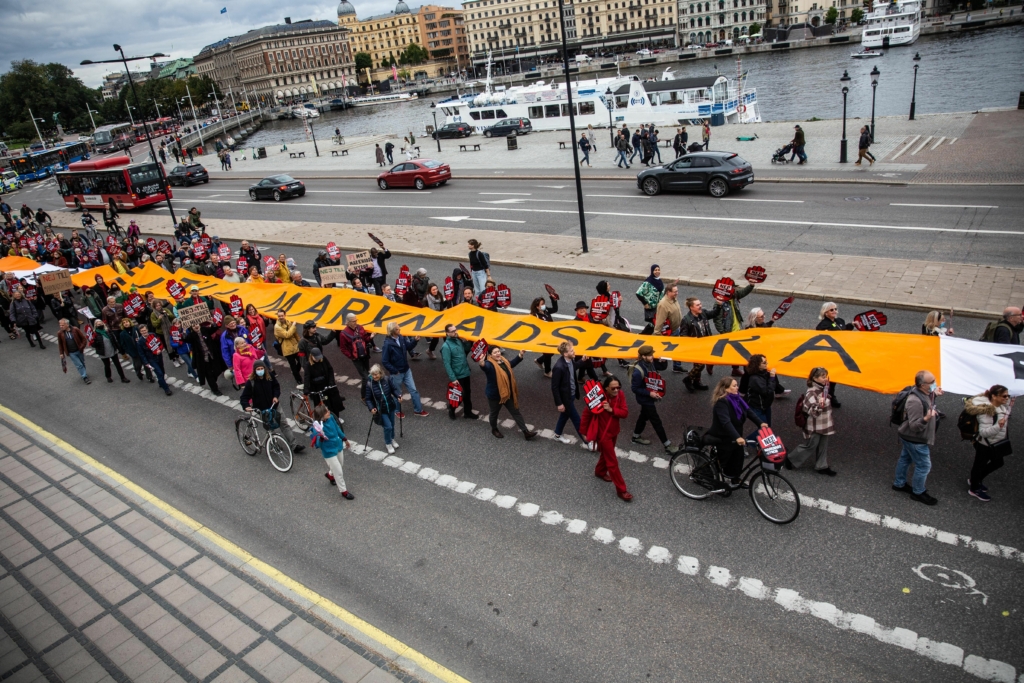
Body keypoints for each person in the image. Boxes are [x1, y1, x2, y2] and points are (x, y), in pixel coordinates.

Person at [706, 376, 767, 488]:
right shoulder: (722, 403)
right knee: (722, 460)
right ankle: (714, 481)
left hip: (735, 435)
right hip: (723, 436)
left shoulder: (737, 399)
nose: (737, 387)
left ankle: (735, 478)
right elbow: (726, 422)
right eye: (734, 386)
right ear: (726, 389)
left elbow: (748, 411)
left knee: (738, 458)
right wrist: (737, 437)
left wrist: (760, 423)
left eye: (736, 385)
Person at [893, 369, 943, 505]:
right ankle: (918, 492)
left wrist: (935, 394)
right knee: (924, 466)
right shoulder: (915, 401)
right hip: (915, 439)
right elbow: (915, 426)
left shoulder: (925, 393)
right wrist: (926, 419)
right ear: (922, 385)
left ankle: (899, 483)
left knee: (905, 458)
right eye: (932, 382)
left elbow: (928, 401)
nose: (935, 383)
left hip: (910, 438)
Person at [581, 375, 632, 501]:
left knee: (606, 455)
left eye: (618, 387)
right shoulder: (597, 398)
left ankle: (599, 471)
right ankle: (622, 490)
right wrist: (583, 432)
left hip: (614, 431)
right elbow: (586, 414)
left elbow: (625, 413)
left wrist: (611, 409)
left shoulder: (620, 395)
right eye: (613, 388)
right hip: (603, 435)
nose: (616, 390)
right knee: (612, 462)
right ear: (606, 388)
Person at [240, 359, 306, 454]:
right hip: (262, 410)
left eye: (262, 368)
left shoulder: (270, 377)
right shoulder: (251, 383)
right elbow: (244, 397)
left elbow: (276, 387)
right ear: (255, 370)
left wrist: (275, 396)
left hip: (274, 406)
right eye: (258, 369)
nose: (260, 370)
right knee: (270, 429)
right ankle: (273, 444)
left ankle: (294, 445)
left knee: (284, 425)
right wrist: (245, 406)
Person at [964, 385, 1012, 502]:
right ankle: (974, 488)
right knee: (979, 465)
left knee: (998, 462)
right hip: (985, 444)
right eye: (1004, 396)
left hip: (995, 441)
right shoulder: (986, 412)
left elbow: (1006, 407)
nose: (1007, 398)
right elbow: (984, 432)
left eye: (1008, 396)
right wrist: (998, 426)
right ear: (994, 396)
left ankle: (975, 479)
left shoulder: (1000, 404)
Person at [629, 345, 680, 455]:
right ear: (643, 356)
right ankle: (667, 445)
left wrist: (662, 361)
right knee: (656, 421)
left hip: (649, 397)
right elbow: (635, 388)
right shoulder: (638, 372)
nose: (652, 356)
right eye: (650, 355)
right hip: (645, 399)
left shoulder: (649, 363)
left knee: (643, 416)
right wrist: (650, 393)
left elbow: (661, 367)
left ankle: (636, 436)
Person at [480, 345, 536, 440]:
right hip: (495, 395)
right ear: (490, 355)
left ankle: (526, 432)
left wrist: (520, 355)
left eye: (498, 351)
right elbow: (485, 367)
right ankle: (494, 429)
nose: (498, 353)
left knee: (516, 412)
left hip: (507, 393)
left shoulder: (503, 360)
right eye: (495, 352)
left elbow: (511, 364)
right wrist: (481, 362)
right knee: (494, 414)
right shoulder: (489, 364)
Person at [790, 367, 836, 475]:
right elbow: (812, 412)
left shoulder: (823, 388)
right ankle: (791, 459)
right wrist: (820, 405)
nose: (825, 379)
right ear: (815, 378)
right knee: (811, 445)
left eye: (826, 376)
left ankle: (822, 465)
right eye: (822, 377)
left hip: (824, 422)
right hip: (815, 425)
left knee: (823, 445)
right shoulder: (811, 392)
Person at [382, 322, 428, 417]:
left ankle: (418, 410)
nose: (400, 330)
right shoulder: (387, 344)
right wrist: (394, 371)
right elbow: (385, 361)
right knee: (397, 393)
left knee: (413, 390)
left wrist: (415, 341)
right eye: (398, 329)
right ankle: (397, 410)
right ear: (393, 331)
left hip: (406, 370)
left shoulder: (401, 337)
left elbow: (408, 347)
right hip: (397, 373)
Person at [816, 302, 853, 407]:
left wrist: (852, 325)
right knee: (827, 378)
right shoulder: (822, 326)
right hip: (828, 355)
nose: (835, 311)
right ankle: (827, 397)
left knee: (833, 378)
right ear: (825, 312)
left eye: (836, 309)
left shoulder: (840, 321)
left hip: (839, 354)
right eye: (831, 310)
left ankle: (829, 395)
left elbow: (843, 331)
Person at [739, 354, 785, 438]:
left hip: (765, 405)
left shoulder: (764, 373)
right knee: (765, 429)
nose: (766, 363)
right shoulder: (755, 379)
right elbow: (767, 392)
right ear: (757, 365)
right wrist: (772, 378)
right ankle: (745, 443)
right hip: (756, 407)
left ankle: (759, 446)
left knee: (767, 427)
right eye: (764, 363)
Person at [314, 404, 353, 500]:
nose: (329, 412)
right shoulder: (317, 427)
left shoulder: (331, 418)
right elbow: (317, 444)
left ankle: (330, 475)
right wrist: (321, 439)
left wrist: (344, 439)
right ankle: (343, 491)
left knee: (340, 464)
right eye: (326, 411)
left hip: (338, 446)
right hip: (329, 452)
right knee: (339, 471)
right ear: (321, 416)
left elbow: (337, 428)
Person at [681, 297, 721, 392]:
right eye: (697, 305)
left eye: (700, 304)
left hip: (705, 344)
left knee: (698, 365)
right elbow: (683, 336)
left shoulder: (703, 313)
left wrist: (719, 305)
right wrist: (691, 344)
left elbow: (714, 313)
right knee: (700, 364)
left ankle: (696, 382)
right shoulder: (686, 320)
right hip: (695, 346)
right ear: (691, 307)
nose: (700, 306)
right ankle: (688, 379)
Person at [440, 324, 479, 421]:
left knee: (468, 393)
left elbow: (465, 350)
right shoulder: (446, 346)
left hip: (465, 372)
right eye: (452, 331)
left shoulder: (458, 340)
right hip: (457, 375)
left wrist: (466, 343)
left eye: (455, 330)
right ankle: (452, 410)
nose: (455, 332)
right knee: (459, 395)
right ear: (447, 333)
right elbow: (447, 364)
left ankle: (468, 412)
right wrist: (453, 378)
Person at [365, 363, 403, 454]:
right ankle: (388, 443)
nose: (374, 376)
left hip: (391, 406)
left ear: (381, 373)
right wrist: (371, 408)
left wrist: (398, 396)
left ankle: (392, 438)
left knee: (392, 424)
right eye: (373, 374)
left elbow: (393, 390)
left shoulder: (386, 379)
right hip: (381, 410)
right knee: (388, 426)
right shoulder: (369, 384)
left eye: (376, 374)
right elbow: (368, 399)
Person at [551, 341, 582, 444]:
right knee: (577, 419)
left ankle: (557, 434)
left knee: (564, 415)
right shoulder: (559, 367)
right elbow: (554, 387)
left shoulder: (570, 360)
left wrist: (583, 360)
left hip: (571, 395)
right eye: (572, 350)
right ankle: (588, 442)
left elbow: (574, 367)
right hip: (566, 398)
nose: (574, 352)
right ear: (565, 354)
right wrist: (559, 403)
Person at [304, 347, 346, 418]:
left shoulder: (323, 359)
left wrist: (331, 382)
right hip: (316, 387)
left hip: (327, 384)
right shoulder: (308, 365)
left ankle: (336, 417)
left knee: (333, 402)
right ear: (312, 356)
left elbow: (330, 369)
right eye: (316, 358)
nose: (318, 359)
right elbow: (306, 377)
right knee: (320, 405)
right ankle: (321, 419)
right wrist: (306, 389)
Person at [337, 313, 374, 394]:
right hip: (356, 359)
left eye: (356, 320)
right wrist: (351, 356)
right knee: (365, 377)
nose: (355, 323)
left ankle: (369, 391)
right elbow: (343, 348)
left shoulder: (360, 328)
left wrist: (371, 337)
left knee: (368, 374)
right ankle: (363, 395)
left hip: (365, 355)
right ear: (348, 322)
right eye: (353, 321)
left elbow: (365, 339)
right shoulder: (343, 334)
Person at [184, 324, 223, 395]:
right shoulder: (192, 335)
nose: (196, 326)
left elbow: (214, 328)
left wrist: (212, 322)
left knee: (217, 370)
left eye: (196, 325)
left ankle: (213, 381)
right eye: (193, 326)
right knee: (209, 374)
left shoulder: (205, 330)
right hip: (202, 359)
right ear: (192, 328)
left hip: (211, 355)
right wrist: (183, 332)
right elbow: (186, 339)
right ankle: (215, 389)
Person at [135, 324, 173, 396]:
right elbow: (141, 353)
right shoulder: (140, 342)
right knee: (159, 373)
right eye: (142, 331)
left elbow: (159, 343)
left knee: (162, 371)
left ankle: (161, 383)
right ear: (140, 332)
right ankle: (166, 389)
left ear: (147, 330)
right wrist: (146, 362)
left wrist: (160, 349)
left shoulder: (153, 334)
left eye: (145, 330)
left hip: (158, 356)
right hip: (151, 359)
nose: (144, 332)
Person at [530, 295, 559, 376]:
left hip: (551, 335)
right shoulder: (535, 316)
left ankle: (539, 360)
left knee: (552, 351)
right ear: (537, 307)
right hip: (543, 337)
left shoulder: (545, 310)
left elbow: (555, 309)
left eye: (544, 303)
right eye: (542, 304)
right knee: (548, 353)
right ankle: (547, 371)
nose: (544, 305)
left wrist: (553, 300)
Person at [57, 318, 91, 384]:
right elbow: (60, 343)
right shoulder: (60, 333)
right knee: (79, 365)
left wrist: (81, 347)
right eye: (60, 325)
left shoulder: (75, 330)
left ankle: (83, 373)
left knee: (82, 363)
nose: (61, 326)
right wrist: (61, 353)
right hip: (71, 352)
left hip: (79, 350)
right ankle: (84, 377)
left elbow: (83, 339)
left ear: (67, 324)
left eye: (63, 325)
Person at [272, 310, 302, 384]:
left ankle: (295, 372)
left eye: (282, 315)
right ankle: (299, 380)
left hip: (296, 347)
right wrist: (293, 326)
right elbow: (287, 335)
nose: (281, 317)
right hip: (287, 349)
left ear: (285, 315)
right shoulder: (277, 327)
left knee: (302, 360)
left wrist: (300, 343)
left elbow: (295, 334)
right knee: (293, 365)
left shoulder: (288, 322)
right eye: (279, 316)